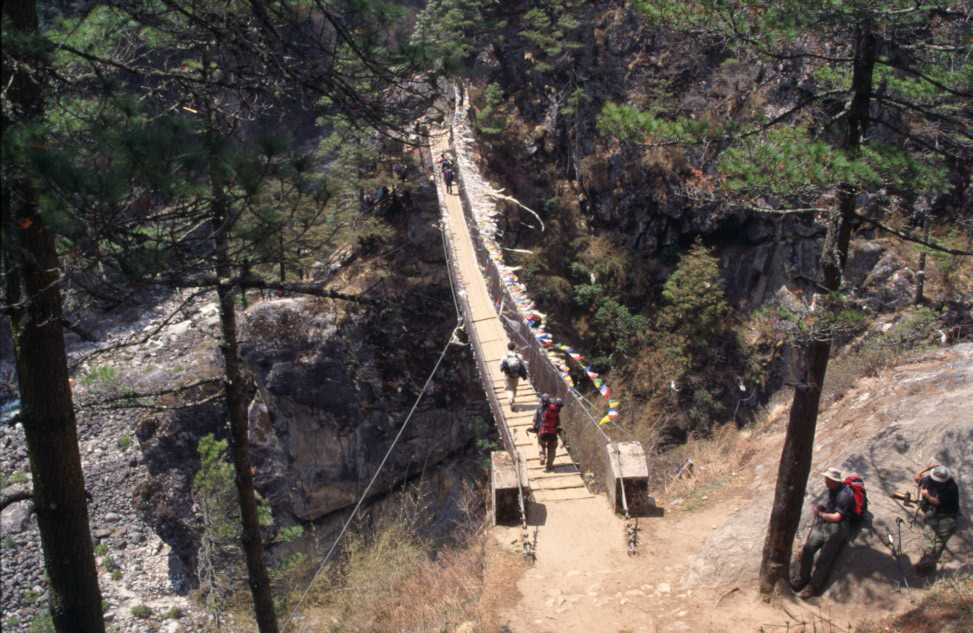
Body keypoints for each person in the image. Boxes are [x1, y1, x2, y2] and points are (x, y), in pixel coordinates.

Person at [793, 467, 855, 598]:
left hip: (838, 528)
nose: (825, 481)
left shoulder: (845, 495)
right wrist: (823, 509)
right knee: (808, 549)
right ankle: (803, 578)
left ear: (834, 481)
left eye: (827, 479)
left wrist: (820, 514)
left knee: (824, 558)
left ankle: (813, 587)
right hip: (826, 524)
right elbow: (831, 508)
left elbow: (838, 517)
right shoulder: (833, 489)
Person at [914, 465, 960, 574]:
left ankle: (929, 558)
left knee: (940, 536)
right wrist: (926, 468)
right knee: (929, 532)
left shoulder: (951, 488)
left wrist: (927, 496)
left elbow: (937, 502)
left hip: (948, 514)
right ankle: (928, 557)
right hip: (934, 512)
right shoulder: (930, 479)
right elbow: (917, 477)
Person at [537, 397, 563, 472]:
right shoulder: (556, 413)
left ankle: (542, 455)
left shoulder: (543, 410)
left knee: (541, 444)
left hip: (543, 432)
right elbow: (558, 425)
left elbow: (537, 421)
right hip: (552, 434)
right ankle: (549, 466)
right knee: (552, 450)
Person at [499, 342, 527, 406]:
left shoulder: (505, 356)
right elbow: (523, 365)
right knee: (514, 387)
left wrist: (502, 369)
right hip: (516, 375)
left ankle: (510, 399)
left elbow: (501, 365)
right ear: (514, 348)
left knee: (508, 388)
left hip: (508, 375)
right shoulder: (519, 356)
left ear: (508, 348)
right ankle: (513, 399)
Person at [528, 393, 551, 462]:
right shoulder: (553, 409)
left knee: (541, 444)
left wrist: (534, 427)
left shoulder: (539, 408)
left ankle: (542, 455)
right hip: (552, 431)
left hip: (541, 430)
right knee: (551, 447)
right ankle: (549, 463)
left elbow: (535, 419)